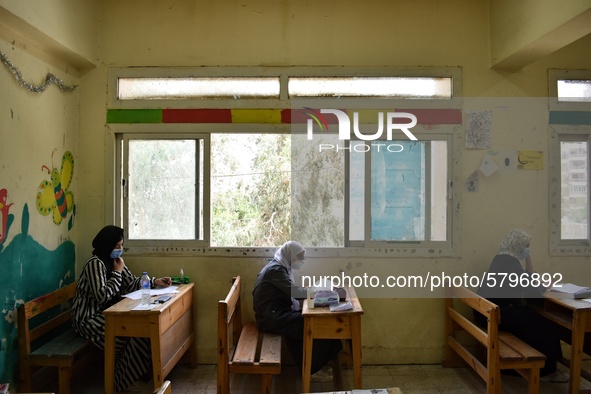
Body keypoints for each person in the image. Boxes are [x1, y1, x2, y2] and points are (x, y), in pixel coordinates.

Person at [72, 225, 172, 391]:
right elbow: (102, 296)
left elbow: (131, 283)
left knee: (141, 332)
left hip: (108, 315)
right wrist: (117, 274)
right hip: (89, 319)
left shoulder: (115, 262)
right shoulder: (94, 264)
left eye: (121, 246)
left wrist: (155, 281)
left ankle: (126, 377)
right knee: (130, 335)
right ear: (107, 244)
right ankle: (120, 382)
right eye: (117, 246)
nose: (120, 249)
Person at [475, 229, 568, 383]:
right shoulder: (509, 262)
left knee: (536, 320)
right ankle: (547, 371)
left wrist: (528, 258)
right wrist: (544, 285)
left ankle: (547, 366)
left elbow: (528, 281)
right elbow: (532, 288)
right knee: (548, 325)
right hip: (497, 314)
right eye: (526, 246)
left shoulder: (503, 258)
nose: (527, 249)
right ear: (516, 245)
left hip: (489, 311)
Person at [252, 240, 342, 381]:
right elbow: (296, 293)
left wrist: (315, 291)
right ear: (289, 255)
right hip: (270, 318)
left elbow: (294, 292)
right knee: (313, 324)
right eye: (299, 257)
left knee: (305, 322)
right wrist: (318, 291)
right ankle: (311, 370)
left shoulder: (280, 267)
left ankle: (311, 365)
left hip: (274, 314)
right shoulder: (275, 270)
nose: (302, 260)